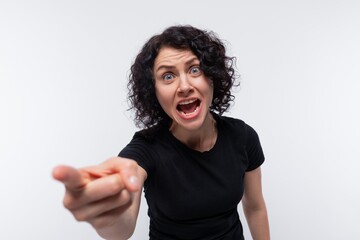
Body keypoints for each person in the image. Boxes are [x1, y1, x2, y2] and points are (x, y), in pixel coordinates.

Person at [52, 25, 270, 240]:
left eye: (194, 69)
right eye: (167, 76)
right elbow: (123, 227)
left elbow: (255, 206)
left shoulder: (242, 137)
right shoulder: (146, 149)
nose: (184, 86)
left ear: (212, 76)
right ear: (153, 91)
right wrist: (110, 215)